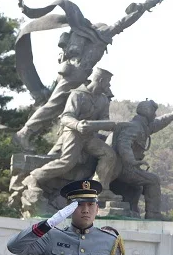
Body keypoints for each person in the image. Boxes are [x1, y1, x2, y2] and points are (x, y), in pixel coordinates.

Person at [13, 0, 173, 150]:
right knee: (53, 106)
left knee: (70, 106)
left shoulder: (85, 37)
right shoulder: (99, 36)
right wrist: (142, 8)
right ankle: (24, 133)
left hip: (75, 74)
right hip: (76, 75)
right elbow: (122, 24)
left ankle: (67, 139)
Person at [22, 68, 122, 201]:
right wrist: (77, 125)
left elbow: (104, 118)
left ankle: (99, 189)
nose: (109, 86)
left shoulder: (103, 100)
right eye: (108, 83)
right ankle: (33, 177)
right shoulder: (77, 95)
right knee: (67, 162)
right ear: (101, 81)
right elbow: (65, 117)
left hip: (89, 137)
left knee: (109, 155)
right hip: (72, 132)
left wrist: (108, 125)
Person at [107, 99, 173, 219]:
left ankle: (134, 211)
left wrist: (172, 115)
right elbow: (123, 144)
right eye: (153, 112)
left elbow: (158, 123)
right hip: (122, 167)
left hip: (124, 166)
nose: (155, 115)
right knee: (153, 180)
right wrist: (132, 160)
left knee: (137, 187)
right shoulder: (134, 127)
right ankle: (153, 214)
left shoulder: (141, 126)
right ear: (148, 113)